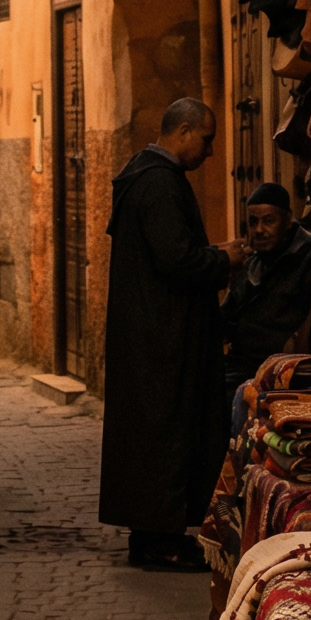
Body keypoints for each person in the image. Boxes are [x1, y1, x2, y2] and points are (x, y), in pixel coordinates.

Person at [98, 96, 242, 571]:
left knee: (155, 433)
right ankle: (160, 540)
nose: (211, 152)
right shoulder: (159, 183)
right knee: (167, 430)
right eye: (206, 139)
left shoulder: (148, 177)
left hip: (151, 331)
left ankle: (152, 534)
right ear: (182, 132)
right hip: (162, 337)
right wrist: (224, 259)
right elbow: (177, 259)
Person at [221, 182, 311, 401]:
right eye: (253, 222)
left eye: (268, 221)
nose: (259, 230)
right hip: (240, 365)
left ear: (288, 220)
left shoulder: (308, 262)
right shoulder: (251, 264)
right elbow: (226, 316)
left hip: (281, 370)